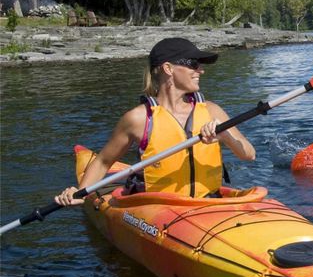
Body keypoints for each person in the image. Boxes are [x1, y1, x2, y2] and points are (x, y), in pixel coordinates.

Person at [55, 38, 256, 205]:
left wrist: (224, 135)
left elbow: (249, 155)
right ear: (168, 68)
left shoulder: (212, 110)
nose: (200, 70)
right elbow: (103, 161)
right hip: (159, 209)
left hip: (208, 203)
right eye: (194, 64)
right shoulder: (139, 118)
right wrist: (79, 194)